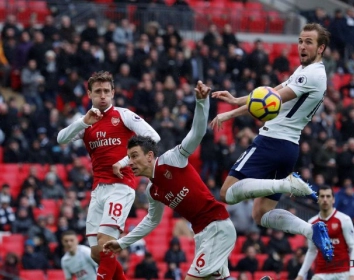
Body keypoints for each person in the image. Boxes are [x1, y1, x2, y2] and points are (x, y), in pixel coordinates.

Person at [210, 23, 333, 261]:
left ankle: (286, 185)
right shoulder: (307, 70)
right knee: (261, 214)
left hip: (271, 142)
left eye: (308, 42)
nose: (302, 46)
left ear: (321, 48)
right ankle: (311, 229)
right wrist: (235, 102)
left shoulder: (312, 73)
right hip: (289, 148)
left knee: (226, 193)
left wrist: (230, 112)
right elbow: (271, 91)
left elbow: (270, 99)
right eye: (300, 41)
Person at [103, 81, 237, 280]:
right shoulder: (152, 191)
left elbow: (197, 133)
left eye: (134, 156)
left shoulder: (172, 159)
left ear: (149, 156)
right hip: (202, 234)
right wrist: (123, 243)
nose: (130, 162)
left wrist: (201, 103)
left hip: (216, 227)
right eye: (129, 157)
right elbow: (151, 221)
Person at [57, 71, 160, 280]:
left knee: (106, 242)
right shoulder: (87, 122)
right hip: (98, 190)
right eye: (98, 91)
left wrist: (125, 161)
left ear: (113, 93)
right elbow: (61, 139)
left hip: (121, 186)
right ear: (89, 94)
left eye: (106, 91)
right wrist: (83, 121)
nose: (102, 95)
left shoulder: (124, 115)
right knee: (97, 253)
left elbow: (153, 137)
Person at [295, 186, 354, 280]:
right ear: (318, 199)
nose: (325, 199)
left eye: (328, 196)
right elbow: (312, 251)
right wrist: (301, 275)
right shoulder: (312, 223)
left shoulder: (344, 219)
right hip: (321, 274)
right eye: (322, 196)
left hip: (343, 273)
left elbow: (353, 247)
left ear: (333, 200)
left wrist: (353, 273)